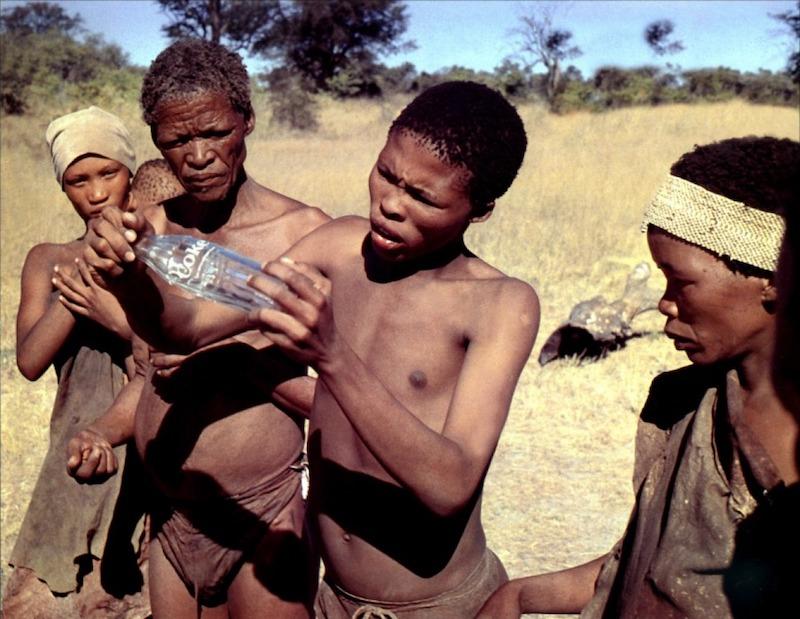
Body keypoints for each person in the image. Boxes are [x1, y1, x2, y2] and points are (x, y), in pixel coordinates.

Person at [242, 80, 539, 618]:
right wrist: (136, 265)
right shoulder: (340, 246)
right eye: (385, 174)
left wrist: (331, 356)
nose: (389, 206)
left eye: (423, 198)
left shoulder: (500, 303)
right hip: (333, 598)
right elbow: (210, 317)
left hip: (436, 606)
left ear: (480, 209)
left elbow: (450, 485)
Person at [477, 136, 800, 618]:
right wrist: (518, 595)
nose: (665, 304)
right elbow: (647, 568)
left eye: (681, 281)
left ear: (773, 277)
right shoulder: (684, 404)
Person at [81, 38, 329, 618]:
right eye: (177, 140)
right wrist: (99, 431)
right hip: (170, 519)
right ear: (155, 141)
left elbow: (341, 391)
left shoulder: (304, 234)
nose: (197, 156)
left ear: (247, 121)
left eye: (215, 133)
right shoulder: (146, 234)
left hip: (262, 516)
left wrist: (234, 363)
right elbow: (148, 374)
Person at [4, 106, 148, 619]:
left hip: (145, 449)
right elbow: (29, 360)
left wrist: (116, 317)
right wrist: (83, 279)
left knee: (122, 593)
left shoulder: (158, 253)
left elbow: (163, 352)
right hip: (70, 452)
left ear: (131, 172)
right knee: (38, 598)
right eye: (77, 181)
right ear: (63, 187)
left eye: (109, 173)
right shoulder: (49, 259)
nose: (97, 192)